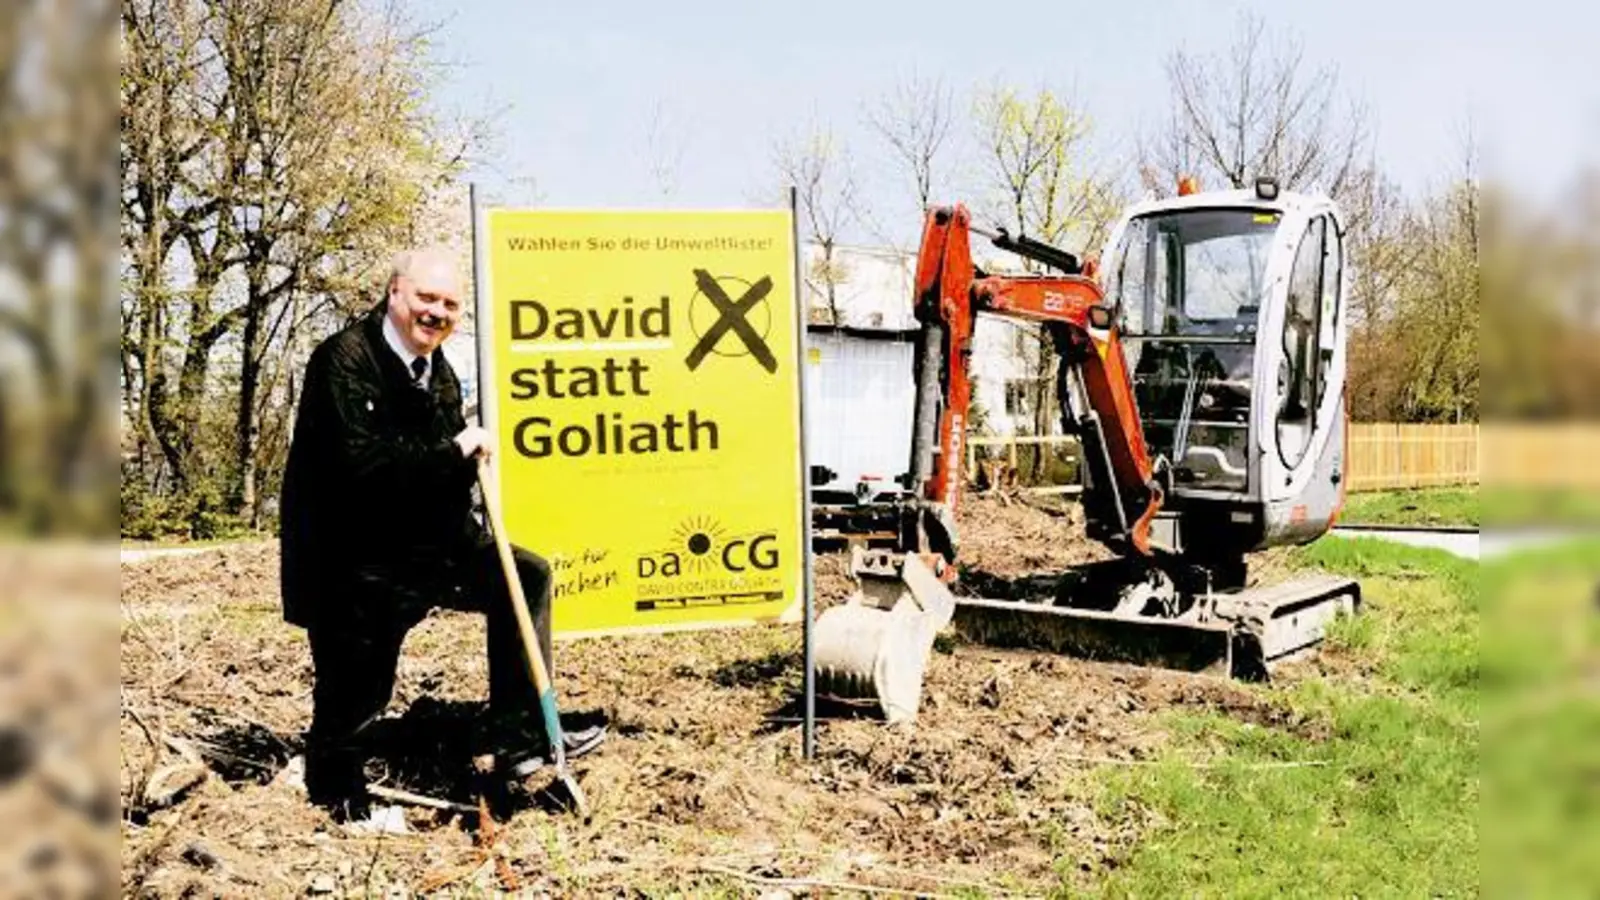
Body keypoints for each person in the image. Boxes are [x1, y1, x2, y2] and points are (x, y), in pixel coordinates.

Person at [278, 245, 604, 818]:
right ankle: (337, 795)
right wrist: (456, 447)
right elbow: (362, 469)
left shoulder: (440, 371)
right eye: (427, 298)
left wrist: (472, 521)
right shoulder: (343, 361)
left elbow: (442, 474)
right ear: (395, 293)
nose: (437, 312)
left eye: (451, 304)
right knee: (355, 692)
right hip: (347, 556)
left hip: (426, 546)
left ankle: (521, 748)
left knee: (522, 575)